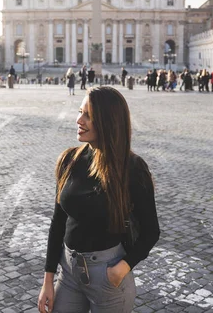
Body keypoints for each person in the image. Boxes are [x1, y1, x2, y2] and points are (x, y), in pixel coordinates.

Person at [38, 87, 160, 313]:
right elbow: (58, 223)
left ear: (108, 121)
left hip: (108, 274)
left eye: (88, 115)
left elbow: (152, 230)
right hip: (69, 273)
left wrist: (121, 269)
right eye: (79, 111)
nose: (79, 120)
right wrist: (48, 280)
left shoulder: (132, 169)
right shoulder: (69, 160)